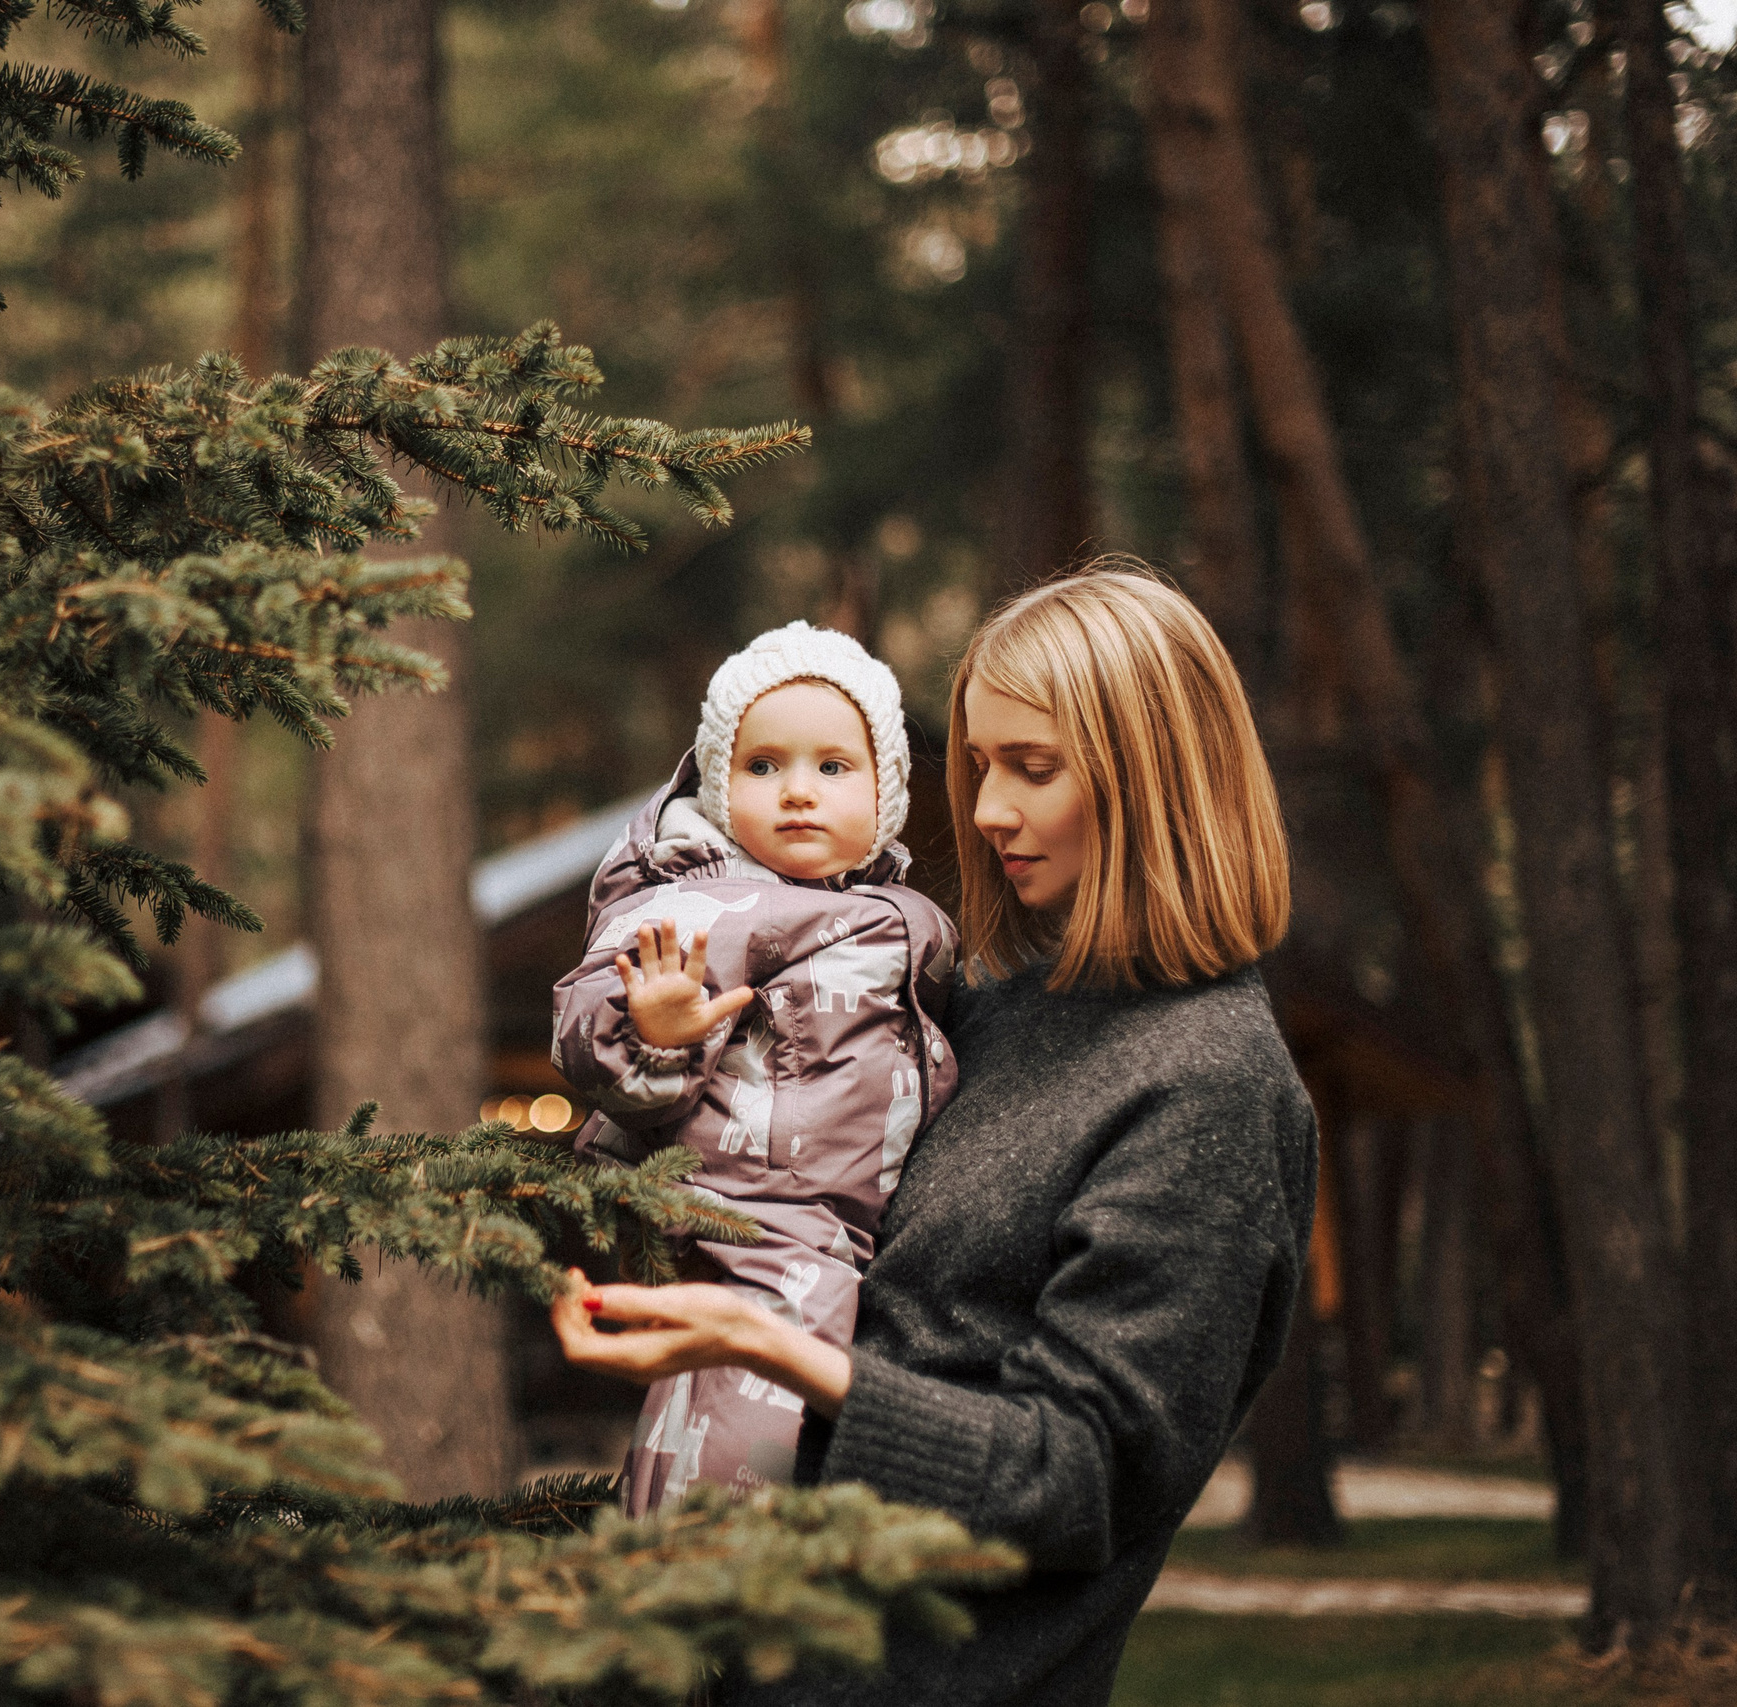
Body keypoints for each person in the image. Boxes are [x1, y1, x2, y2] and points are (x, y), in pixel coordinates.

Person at [551, 567, 1316, 1707]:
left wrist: (781, 1354)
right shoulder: (982, 1014)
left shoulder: (1209, 1085)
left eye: (1032, 768)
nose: (989, 810)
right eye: (978, 765)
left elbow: (1083, 1479)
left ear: (1152, 781)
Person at [550, 621, 958, 1516]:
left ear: (885, 790)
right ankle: (705, 1576)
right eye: (763, 766)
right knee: (747, 1404)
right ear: (719, 782)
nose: (798, 793)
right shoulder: (701, 901)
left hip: (844, 1221)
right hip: (755, 1210)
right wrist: (651, 1027)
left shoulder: (885, 912)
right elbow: (586, 1021)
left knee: (748, 1389)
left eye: (833, 767)